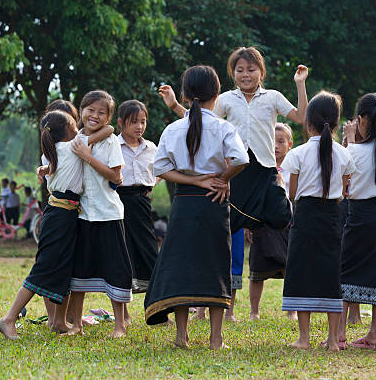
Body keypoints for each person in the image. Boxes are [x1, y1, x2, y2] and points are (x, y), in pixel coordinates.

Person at [144, 65, 249, 350]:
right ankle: (216, 339)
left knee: (182, 265)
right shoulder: (224, 127)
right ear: (217, 94)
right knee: (215, 264)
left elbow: (162, 169)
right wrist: (219, 180)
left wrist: (197, 182)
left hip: (184, 203)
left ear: (185, 94)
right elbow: (241, 159)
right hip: (215, 202)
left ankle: (181, 337)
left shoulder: (173, 128)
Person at [159, 46, 308, 233]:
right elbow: (200, 120)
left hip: (265, 167)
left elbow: (301, 118)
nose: (245, 75)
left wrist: (300, 84)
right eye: (240, 70)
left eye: (251, 70)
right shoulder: (226, 99)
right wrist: (174, 106)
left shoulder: (273, 97)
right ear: (232, 74)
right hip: (235, 168)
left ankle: (260, 227)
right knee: (227, 223)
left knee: (280, 217)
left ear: (261, 73)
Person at [0, 110, 107, 339]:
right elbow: (109, 129)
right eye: (74, 125)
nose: (79, 127)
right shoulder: (72, 146)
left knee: (64, 267)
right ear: (67, 131)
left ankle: (59, 322)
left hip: (60, 214)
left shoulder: (53, 152)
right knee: (45, 268)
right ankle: (8, 319)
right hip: (61, 216)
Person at [281, 91, 356, 351]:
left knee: (303, 273)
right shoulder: (345, 155)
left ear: (308, 122)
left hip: (305, 215)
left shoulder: (297, 154)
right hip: (332, 217)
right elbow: (345, 189)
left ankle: (304, 339)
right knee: (330, 274)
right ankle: (334, 340)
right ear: (335, 124)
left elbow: (292, 193)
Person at [336, 93, 376, 350]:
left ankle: (339, 333)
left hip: (360, 214)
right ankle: (375, 336)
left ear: (362, 119)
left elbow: (345, 177)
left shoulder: (352, 150)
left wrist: (350, 139)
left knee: (345, 271)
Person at [66, 90, 132, 338]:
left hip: (108, 213)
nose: (94, 115)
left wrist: (88, 157)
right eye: (90, 110)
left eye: (101, 112)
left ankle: (120, 325)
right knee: (80, 269)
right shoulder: (75, 138)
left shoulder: (110, 141)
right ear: (81, 111)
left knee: (115, 268)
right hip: (82, 214)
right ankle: (77, 325)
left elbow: (116, 176)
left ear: (109, 117)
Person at [248, 123, 296, 320]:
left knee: (290, 267)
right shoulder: (260, 167)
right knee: (257, 270)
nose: (276, 146)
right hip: (262, 223)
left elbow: (294, 196)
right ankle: (254, 311)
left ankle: (291, 310)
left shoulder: (293, 168)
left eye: (281, 142)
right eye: (272, 141)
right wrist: (249, 224)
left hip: (286, 222)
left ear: (290, 144)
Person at [116, 100, 159, 297]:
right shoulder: (113, 146)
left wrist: (151, 183)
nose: (139, 127)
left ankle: (157, 305)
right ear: (121, 123)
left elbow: (163, 168)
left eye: (143, 121)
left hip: (142, 202)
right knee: (123, 252)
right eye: (134, 122)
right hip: (118, 201)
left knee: (149, 250)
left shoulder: (151, 147)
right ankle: (123, 314)